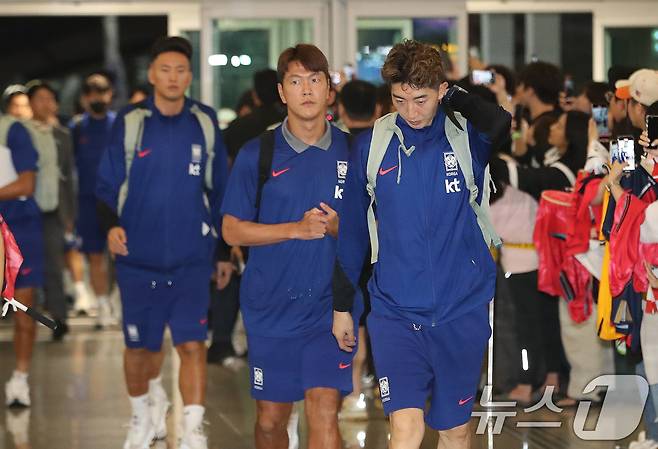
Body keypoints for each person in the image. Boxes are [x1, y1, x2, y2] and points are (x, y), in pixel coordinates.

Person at [332, 39, 510, 449]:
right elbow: (355, 232)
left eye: (421, 99)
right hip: (395, 311)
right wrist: (343, 305)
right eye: (399, 99)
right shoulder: (371, 146)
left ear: (442, 93)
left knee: (454, 430)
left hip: (461, 308)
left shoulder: (467, 139)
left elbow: (500, 122)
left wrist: (452, 92)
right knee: (406, 429)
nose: (410, 112)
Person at [96, 36, 231, 449]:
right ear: (153, 74)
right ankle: (141, 418)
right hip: (137, 259)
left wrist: (224, 251)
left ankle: (192, 429)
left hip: (192, 258)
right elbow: (106, 184)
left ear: (190, 76)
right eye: (165, 70)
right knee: (140, 349)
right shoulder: (131, 121)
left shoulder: (205, 122)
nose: (174, 77)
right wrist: (111, 225)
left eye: (181, 70)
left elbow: (220, 191)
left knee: (192, 345)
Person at [221, 43, 356, 449]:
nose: (307, 90)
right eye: (296, 81)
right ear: (282, 92)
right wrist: (293, 230)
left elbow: (374, 230)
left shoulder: (353, 150)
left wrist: (339, 229)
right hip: (270, 307)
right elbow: (231, 231)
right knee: (269, 422)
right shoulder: (256, 153)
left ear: (329, 89)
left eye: (315, 80)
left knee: (325, 413)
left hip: (328, 309)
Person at [25, 81, 76, 340]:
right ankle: (27, 318)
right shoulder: (20, 132)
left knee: (54, 267)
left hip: (54, 209)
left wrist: (69, 215)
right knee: (23, 268)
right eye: (39, 98)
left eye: (49, 99)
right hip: (24, 210)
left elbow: (67, 176)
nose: (45, 104)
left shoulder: (63, 136)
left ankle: (58, 318)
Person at [0, 107, 42, 407]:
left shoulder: (13, 131)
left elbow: (27, 184)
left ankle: (20, 378)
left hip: (18, 231)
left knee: (23, 312)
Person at [69, 73, 116, 325]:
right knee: (95, 256)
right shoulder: (77, 128)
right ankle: (102, 306)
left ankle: (116, 302)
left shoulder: (118, 124)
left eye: (102, 91)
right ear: (85, 98)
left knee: (120, 255)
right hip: (87, 201)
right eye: (92, 92)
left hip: (116, 201)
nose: (98, 97)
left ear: (110, 94)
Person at [514, 61, 563, 166]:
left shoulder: (545, 125)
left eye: (520, 85)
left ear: (530, 90)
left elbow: (526, 160)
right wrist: (517, 132)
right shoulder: (558, 119)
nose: (517, 90)